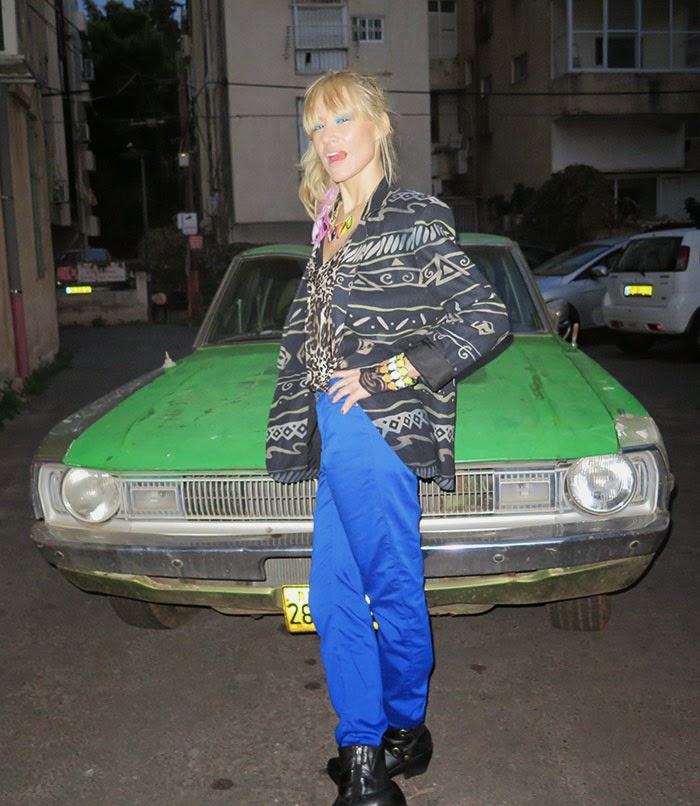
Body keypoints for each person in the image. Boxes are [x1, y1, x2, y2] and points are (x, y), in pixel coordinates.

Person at [266, 70, 510, 806]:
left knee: (390, 585)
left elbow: (485, 318)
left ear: (380, 124)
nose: (329, 138)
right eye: (317, 126)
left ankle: (401, 726)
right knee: (332, 595)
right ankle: (364, 744)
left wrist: (387, 374)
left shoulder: (412, 215)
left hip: (375, 426)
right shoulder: (328, 224)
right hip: (331, 422)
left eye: (343, 120)